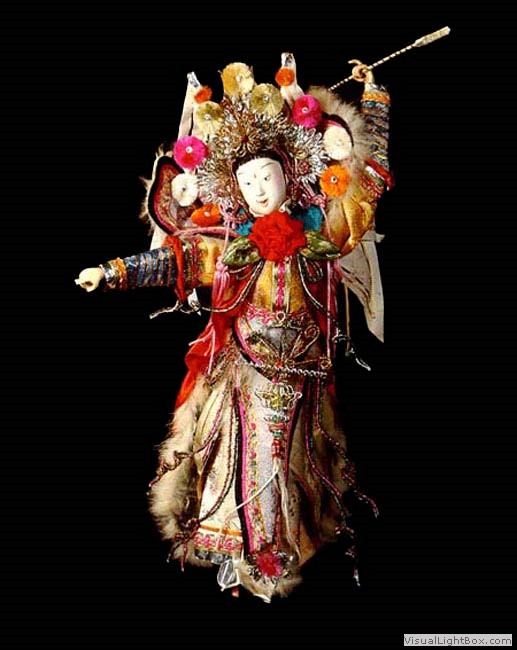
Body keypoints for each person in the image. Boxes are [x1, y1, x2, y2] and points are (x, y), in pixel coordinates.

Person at [76, 56, 391, 601]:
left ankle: (277, 547)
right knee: (245, 450)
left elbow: (368, 186)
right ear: (234, 189)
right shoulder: (231, 246)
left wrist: (375, 104)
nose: (258, 189)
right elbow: (176, 261)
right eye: (247, 182)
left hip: (303, 369)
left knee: (295, 459)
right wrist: (111, 272)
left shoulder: (323, 232)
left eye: (266, 176)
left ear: (288, 176)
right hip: (246, 366)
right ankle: (253, 550)